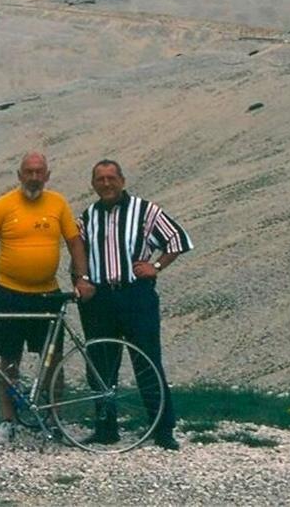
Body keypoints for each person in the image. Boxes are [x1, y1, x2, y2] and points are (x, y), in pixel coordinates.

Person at [0, 152, 95, 445]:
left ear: (47, 176)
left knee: (53, 361)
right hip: (8, 293)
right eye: (28, 172)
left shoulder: (58, 203)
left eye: (39, 172)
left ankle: (54, 419)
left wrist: (83, 278)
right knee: (9, 360)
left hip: (47, 294)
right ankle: (8, 421)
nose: (34, 177)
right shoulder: (3, 204)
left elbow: (75, 242)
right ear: (19, 175)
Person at [76, 159, 193, 451]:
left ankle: (162, 429)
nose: (106, 184)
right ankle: (106, 429)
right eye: (100, 179)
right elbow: (79, 252)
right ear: (93, 184)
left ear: (122, 180)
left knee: (147, 361)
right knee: (101, 365)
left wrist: (156, 266)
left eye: (111, 178)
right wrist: (80, 280)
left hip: (135, 295)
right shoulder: (88, 216)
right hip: (99, 298)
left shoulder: (145, 210)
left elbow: (177, 239)